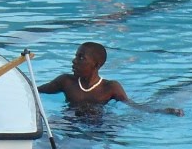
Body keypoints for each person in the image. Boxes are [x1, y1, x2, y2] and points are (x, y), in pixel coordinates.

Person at [38, 42, 184, 117]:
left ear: (96, 65)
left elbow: (134, 106)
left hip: (99, 126)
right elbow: (35, 90)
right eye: (76, 56)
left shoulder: (110, 87)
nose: (74, 61)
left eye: (81, 58)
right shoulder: (66, 82)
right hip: (69, 122)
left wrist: (161, 111)